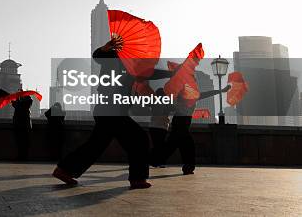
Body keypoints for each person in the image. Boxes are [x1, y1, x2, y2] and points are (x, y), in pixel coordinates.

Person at [53, 35, 173, 189]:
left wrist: (171, 74)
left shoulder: (133, 66)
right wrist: (105, 48)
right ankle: (137, 179)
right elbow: (98, 56)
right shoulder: (114, 56)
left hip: (111, 110)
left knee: (96, 145)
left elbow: (149, 73)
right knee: (139, 139)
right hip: (110, 109)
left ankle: (64, 170)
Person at [155, 84, 231, 174]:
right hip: (180, 122)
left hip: (182, 122)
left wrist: (221, 91)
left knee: (175, 144)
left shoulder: (192, 97)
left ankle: (157, 160)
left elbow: (207, 93)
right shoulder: (181, 96)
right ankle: (186, 166)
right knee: (183, 144)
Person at [148, 88, 170, 168]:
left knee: (156, 145)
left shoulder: (154, 102)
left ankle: (154, 161)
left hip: (153, 126)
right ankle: (158, 161)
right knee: (161, 145)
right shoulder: (167, 102)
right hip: (162, 127)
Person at [12, 90, 33, 161]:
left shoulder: (22, 105)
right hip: (25, 126)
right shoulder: (25, 105)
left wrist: (18, 97)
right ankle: (23, 156)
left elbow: (16, 105)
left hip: (21, 126)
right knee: (23, 143)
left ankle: (22, 156)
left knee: (21, 143)